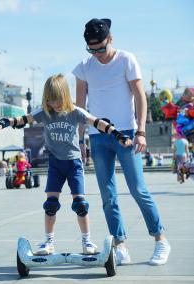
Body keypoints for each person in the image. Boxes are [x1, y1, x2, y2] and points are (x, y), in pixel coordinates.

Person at [0, 74, 132, 255]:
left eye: (57, 99)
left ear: (65, 95)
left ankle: (87, 242)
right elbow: (23, 119)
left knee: (80, 204)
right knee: (50, 204)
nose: (54, 104)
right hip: (55, 164)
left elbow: (97, 121)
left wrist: (117, 134)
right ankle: (49, 242)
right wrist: (4, 122)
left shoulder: (75, 111)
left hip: (73, 164)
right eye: (49, 100)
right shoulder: (44, 112)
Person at [74, 18, 170, 265]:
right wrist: (80, 141)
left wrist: (141, 132)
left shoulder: (126, 59)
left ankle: (160, 240)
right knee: (108, 196)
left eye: (100, 48)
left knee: (138, 189)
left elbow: (140, 96)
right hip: (98, 137)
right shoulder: (84, 67)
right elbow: (80, 110)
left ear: (111, 39)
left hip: (126, 134)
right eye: (91, 49)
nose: (97, 54)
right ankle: (120, 246)